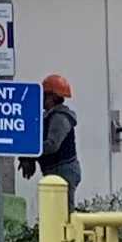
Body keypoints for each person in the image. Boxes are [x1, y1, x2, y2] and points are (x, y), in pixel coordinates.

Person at [36, 71, 82, 199]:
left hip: (63, 171)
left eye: (44, 95)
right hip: (55, 170)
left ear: (52, 97)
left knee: (63, 212)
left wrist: (32, 152)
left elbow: (51, 145)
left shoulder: (60, 118)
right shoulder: (49, 116)